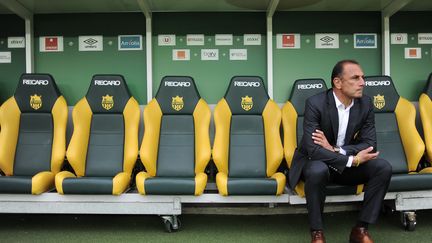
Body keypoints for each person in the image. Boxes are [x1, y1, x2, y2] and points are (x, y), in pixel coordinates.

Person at [288, 60, 392, 243]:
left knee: (382, 167)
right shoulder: (315, 103)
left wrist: (337, 149)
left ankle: (360, 229)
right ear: (338, 83)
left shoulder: (365, 103)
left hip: (342, 163)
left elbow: (369, 144)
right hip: (317, 163)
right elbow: (313, 149)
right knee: (317, 169)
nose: (362, 82)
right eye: (355, 78)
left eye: (363, 77)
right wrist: (352, 160)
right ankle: (317, 233)